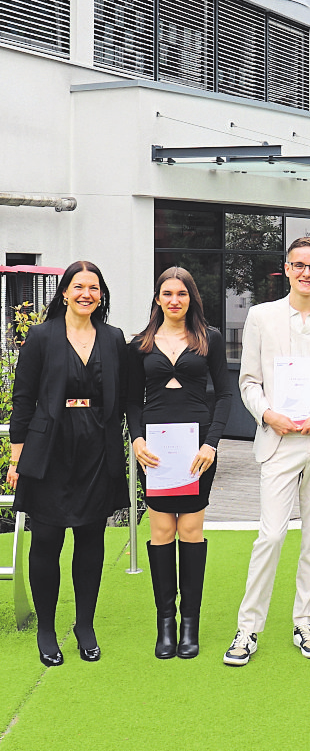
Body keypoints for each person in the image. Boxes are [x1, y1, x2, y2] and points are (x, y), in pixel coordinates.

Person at [223, 237, 310, 667]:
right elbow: (248, 381)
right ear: (285, 269)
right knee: (271, 534)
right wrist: (267, 415)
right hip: (280, 439)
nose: (306, 272)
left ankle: (305, 621)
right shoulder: (262, 317)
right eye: (298, 265)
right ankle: (247, 629)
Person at [6, 261, 128, 666]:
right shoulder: (41, 337)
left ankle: (85, 625)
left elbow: (126, 396)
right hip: (50, 448)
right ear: (65, 292)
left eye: (94, 288)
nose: (86, 294)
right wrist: (16, 456)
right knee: (47, 540)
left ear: (101, 295)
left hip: (97, 444)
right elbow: (23, 398)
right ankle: (45, 628)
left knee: (91, 538)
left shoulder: (113, 338)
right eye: (79, 287)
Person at [127, 266, 232, 660]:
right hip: (154, 451)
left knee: (189, 530)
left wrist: (212, 444)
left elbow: (224, 395)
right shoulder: (139, 344)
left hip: (195, 451)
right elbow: (130, 400)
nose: (175, 300)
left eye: (182, 294)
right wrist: (136, 439)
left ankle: (190, 625)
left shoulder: (210, 339)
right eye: (167, 293)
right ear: (158, 298)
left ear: (192, 299)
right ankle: (165, 625)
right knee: (160, 531)